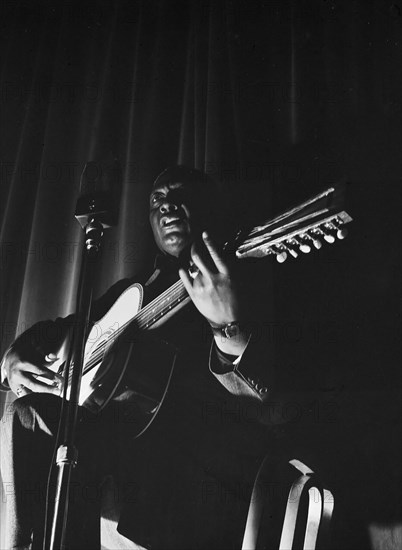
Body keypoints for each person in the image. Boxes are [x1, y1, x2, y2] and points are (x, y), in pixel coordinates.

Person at [0, 166, 282, 550]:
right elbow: (65, 328)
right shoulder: (132, 291)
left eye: (181, 194)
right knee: (24, 413)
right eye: (157, 199)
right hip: (112, 444)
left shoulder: (240, 279)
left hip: (181, 462)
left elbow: (268, 405)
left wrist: (228, 326)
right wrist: (15, 355)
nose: (168, 206)